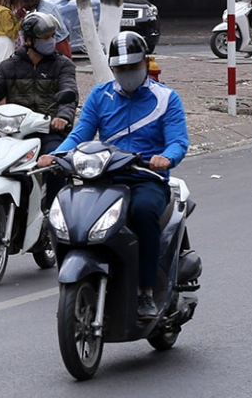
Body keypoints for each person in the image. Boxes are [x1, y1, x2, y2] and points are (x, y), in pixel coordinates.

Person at [44, 32, 187, 320]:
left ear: (146, 63)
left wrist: (165, 158)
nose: (127, 74)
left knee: (144, 213)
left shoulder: (166, 98)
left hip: (146, 178)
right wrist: (57, 156)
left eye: (132, 68)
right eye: (120, 70)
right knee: (69, 213)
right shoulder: (100, 95)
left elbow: (177, 141)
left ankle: (146, 292)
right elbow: (80, 133)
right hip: (104, 177)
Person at [0, 11, 78, 130]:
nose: (51, 40)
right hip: (14, 130)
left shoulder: (63, 65)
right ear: (29, 40)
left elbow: (69, 90)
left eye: (53, 36)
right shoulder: (10, 65)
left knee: (57, 148)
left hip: (49, 130)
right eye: (46, 38)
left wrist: (63, 117)